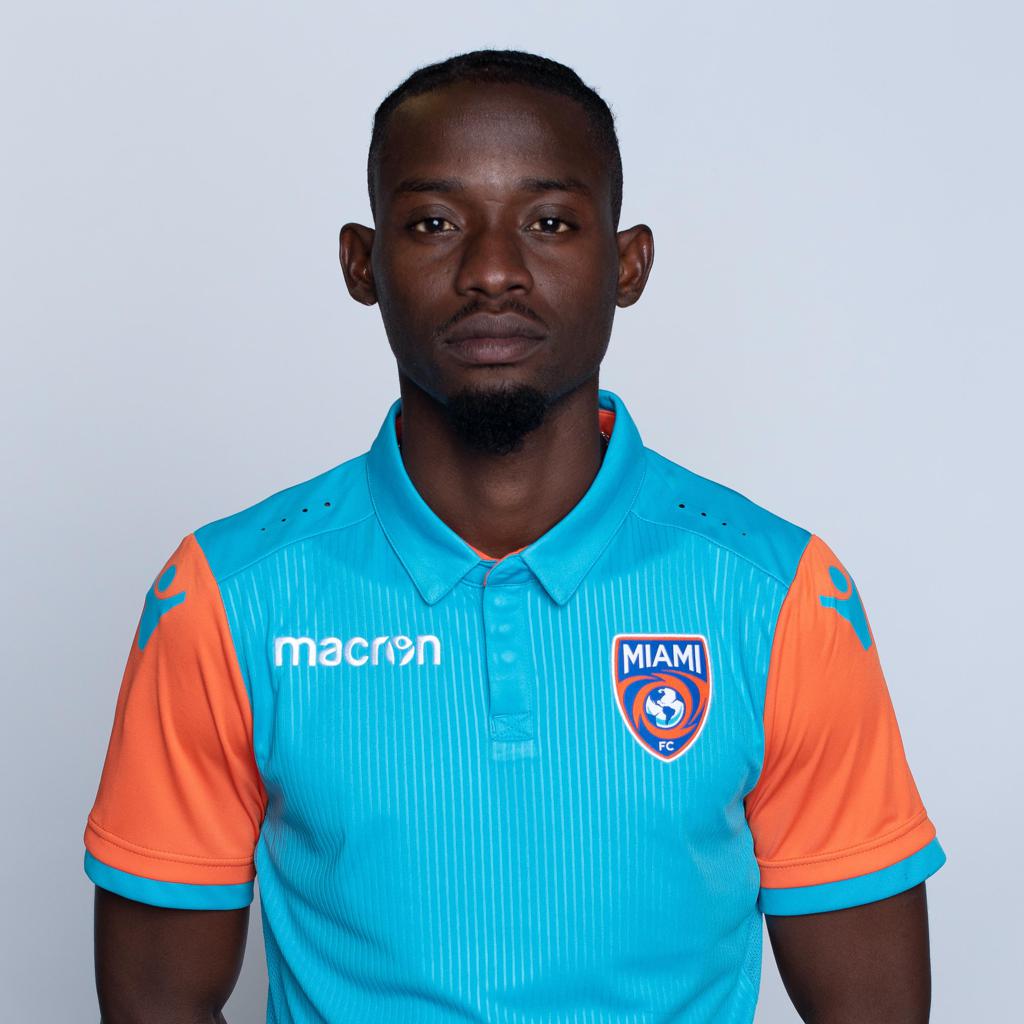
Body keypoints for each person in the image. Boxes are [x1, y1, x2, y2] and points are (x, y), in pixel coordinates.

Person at [84, 49, 945, 1024]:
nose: (491, 271)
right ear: (363, 263)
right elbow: (156, 1001)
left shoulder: (777, 595)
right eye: (434, 223)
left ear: (628, 264)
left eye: (549, 223)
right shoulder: (228, 594)